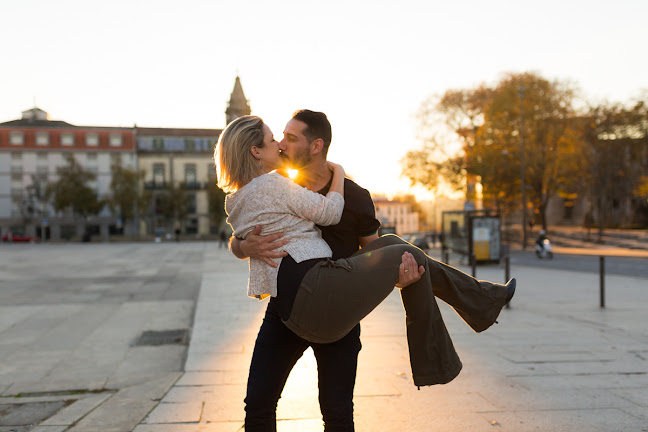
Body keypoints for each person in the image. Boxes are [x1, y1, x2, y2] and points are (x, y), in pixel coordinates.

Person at [221, 111, 515, 432]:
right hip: (296, 298)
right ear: (256, 151)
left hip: (337, 298)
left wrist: (399, 277)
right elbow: (250, 230)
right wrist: (242, 247)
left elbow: (373, 251)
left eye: (290, 138)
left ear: (316, 145)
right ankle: (473, 312)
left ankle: (481, 301)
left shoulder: (355, 196)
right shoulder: (280, 183)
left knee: (337, 413)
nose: (280, 144)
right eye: (278, 137)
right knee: (261, 402)